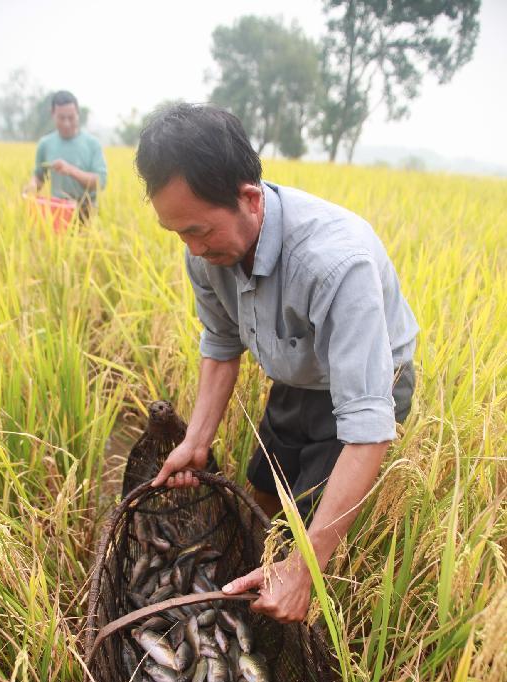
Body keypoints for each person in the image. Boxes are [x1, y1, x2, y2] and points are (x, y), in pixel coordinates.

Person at [135, 103, 419, 625]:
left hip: (367, 385)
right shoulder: (205, 251)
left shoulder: (334, 263)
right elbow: (221, 342)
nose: (194, 249)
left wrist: (306, 567)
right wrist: (196, 441)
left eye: (200, 231)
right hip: (298, 370)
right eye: (179, 235)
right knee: (264, 490)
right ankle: (254, 577)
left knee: (310, 528)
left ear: (249, 198)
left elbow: (367, 426)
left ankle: (301, 599)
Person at [25, 90, 107, 219]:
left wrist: (70, 170)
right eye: (61, 118)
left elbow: (100, 182)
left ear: (78, 114)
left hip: (86, 211)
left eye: (71, 117)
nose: (66, 123)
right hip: (57, 211)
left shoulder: (92, 144)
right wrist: (32, 186)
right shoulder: (45, 144)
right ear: (53, 114)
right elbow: (39, 177)